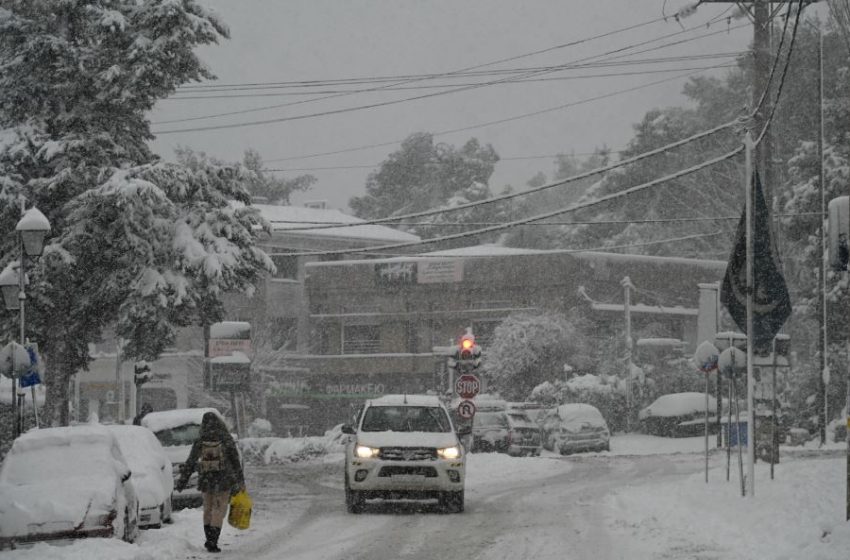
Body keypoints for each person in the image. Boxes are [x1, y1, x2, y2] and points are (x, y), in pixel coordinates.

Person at [175, 412, 245, 553]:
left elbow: (191, 461)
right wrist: (240, 481)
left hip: (206, 480)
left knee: (207, 509)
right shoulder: (226, 438)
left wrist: (182, 481)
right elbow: (235, 461)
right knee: (218, 510)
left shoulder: (201, 439)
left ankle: (209, 539)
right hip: (223, 480)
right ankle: (213, 541)